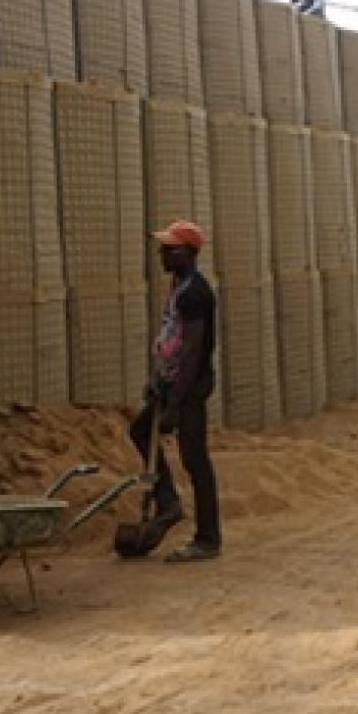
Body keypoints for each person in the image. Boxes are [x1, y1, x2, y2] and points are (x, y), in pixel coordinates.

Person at [129, 220, 222, 562]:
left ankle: (208, 539)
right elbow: (174, 341)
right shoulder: (179, 286)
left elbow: (192, 352)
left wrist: (175, 403)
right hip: (174, 381)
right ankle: (167, 503)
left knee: (195, 459)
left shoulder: (196, 292)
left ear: (189, 253)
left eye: (170, 249)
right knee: (140, 431)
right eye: (163, 248)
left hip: (190, 385)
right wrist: (159, 378)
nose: (162, 254)